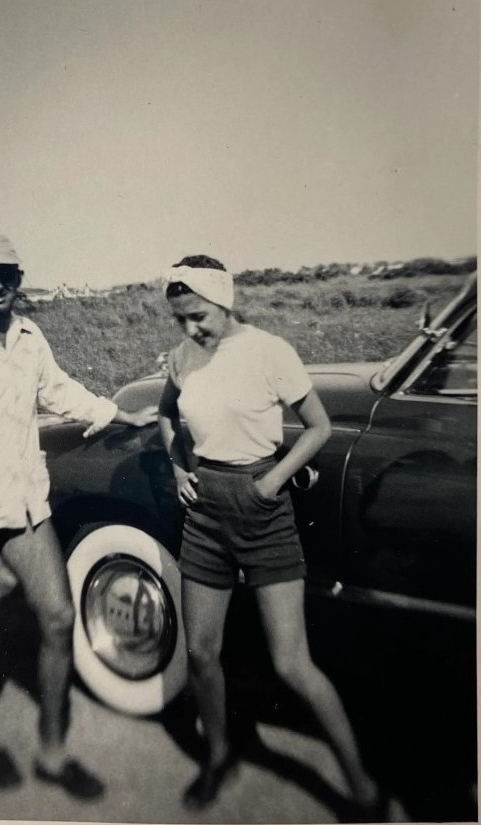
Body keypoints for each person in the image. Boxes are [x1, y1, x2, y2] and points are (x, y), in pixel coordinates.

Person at [0, 233, 156, 796]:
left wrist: (118, 415)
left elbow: (58, 390)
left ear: (19, 278)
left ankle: (53, 751)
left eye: (6, 273)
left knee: (59, 619)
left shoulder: (31, 338)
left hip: (23, 502)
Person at [157, 255, 384, 817]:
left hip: (263, 508)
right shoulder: (183, 358)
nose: (190, 329)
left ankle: (361, 785)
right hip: (206, 510)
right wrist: (179, 468)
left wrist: (272, 482)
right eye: (180, 319)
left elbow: (319, 426)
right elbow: (167, 415)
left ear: (224, 300)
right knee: (201, 653)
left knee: (292, 664)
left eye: (198, 316)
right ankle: (218, 757)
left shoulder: (269, 351)